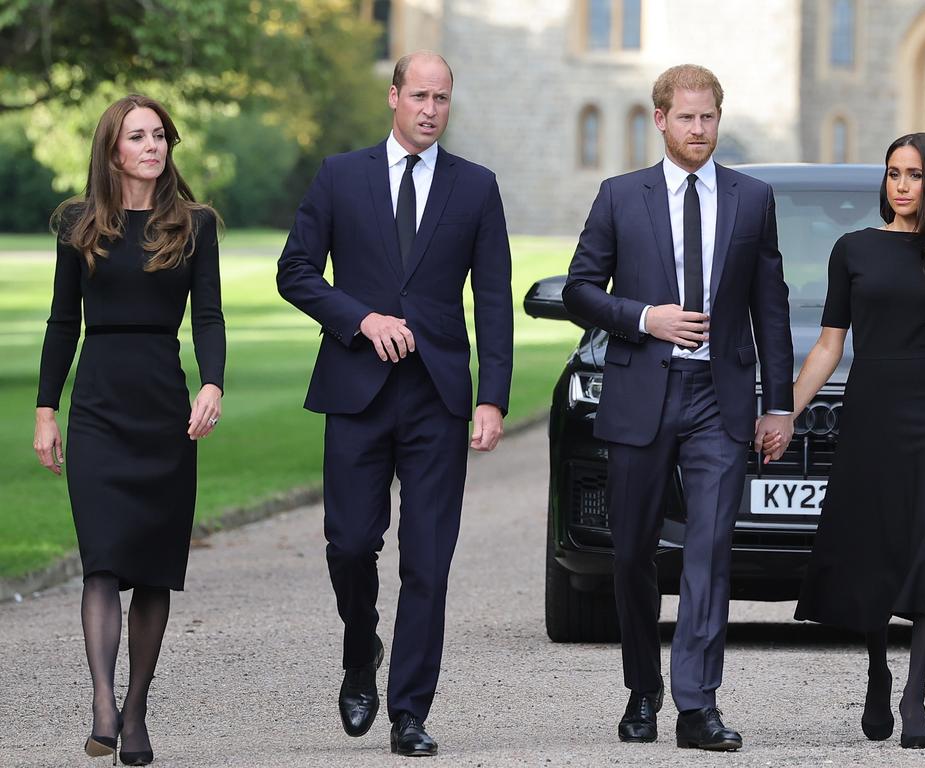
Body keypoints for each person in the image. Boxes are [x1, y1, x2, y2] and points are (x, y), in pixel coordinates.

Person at [276, 51, 513, 757]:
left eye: (441, 98)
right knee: (350, 545)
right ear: (393, 96)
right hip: (356, 389)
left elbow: (494, 302)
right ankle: (360, 648)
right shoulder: (340, 176)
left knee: (429, 561)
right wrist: (360, 319)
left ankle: (410, 711)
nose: (430, 109)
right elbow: (295, 271)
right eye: (419, 95)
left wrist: (492, 398)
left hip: (436, 397)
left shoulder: (476, 188)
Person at [562, 64, 794, 751]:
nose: (699, 130)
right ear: (659, 119)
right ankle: (643, 688)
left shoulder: (753, 199)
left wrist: (777, 405)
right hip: (640, 394)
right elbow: (579, 289)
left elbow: (771, 310)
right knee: (632, 552)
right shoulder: (618, 197)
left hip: (718, 402)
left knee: (711, 549)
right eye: (686, 117)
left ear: (719, 119)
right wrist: (644, 318)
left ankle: (697, 705)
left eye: (709, 118)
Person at [765, 132, 925, 749]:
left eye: (913, 175)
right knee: (875, 544)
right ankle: (879, 669)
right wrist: (785, 413)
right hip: (871, 411)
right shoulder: (852, 250)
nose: (900, 186)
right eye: (892, 174)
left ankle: (914, 693)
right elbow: (830, 345)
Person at [33, 94, 225, 766]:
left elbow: (209, 317)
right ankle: (103, 706)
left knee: (152, 570)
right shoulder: (79, 225)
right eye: (138, 136)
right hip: (98, 407)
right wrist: (45, 411)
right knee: (103, 560)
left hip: (162, 409)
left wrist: (211, 382)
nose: (153, 146)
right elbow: (62, 323)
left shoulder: (195, 224)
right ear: (112, 149)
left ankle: (136, 710)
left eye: (160, 136)